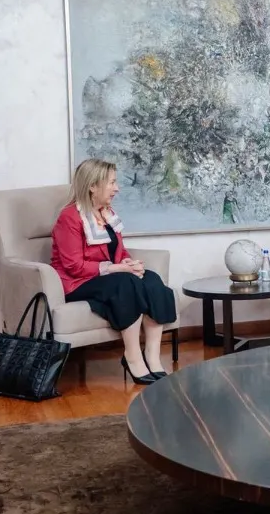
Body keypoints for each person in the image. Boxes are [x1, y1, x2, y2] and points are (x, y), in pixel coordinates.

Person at [51, 158, 177, 385]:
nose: (116, 188)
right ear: (92, 186)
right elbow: (73, 266)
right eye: (111, 183)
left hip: (107, 276)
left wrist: (129, 263)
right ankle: (132, 356)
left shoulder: (107, 213)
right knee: (126, 283)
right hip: (78, 282)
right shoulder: (69, 218)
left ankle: (152, 356)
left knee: (151, 279)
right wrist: (117, 269)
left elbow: (117, 250)